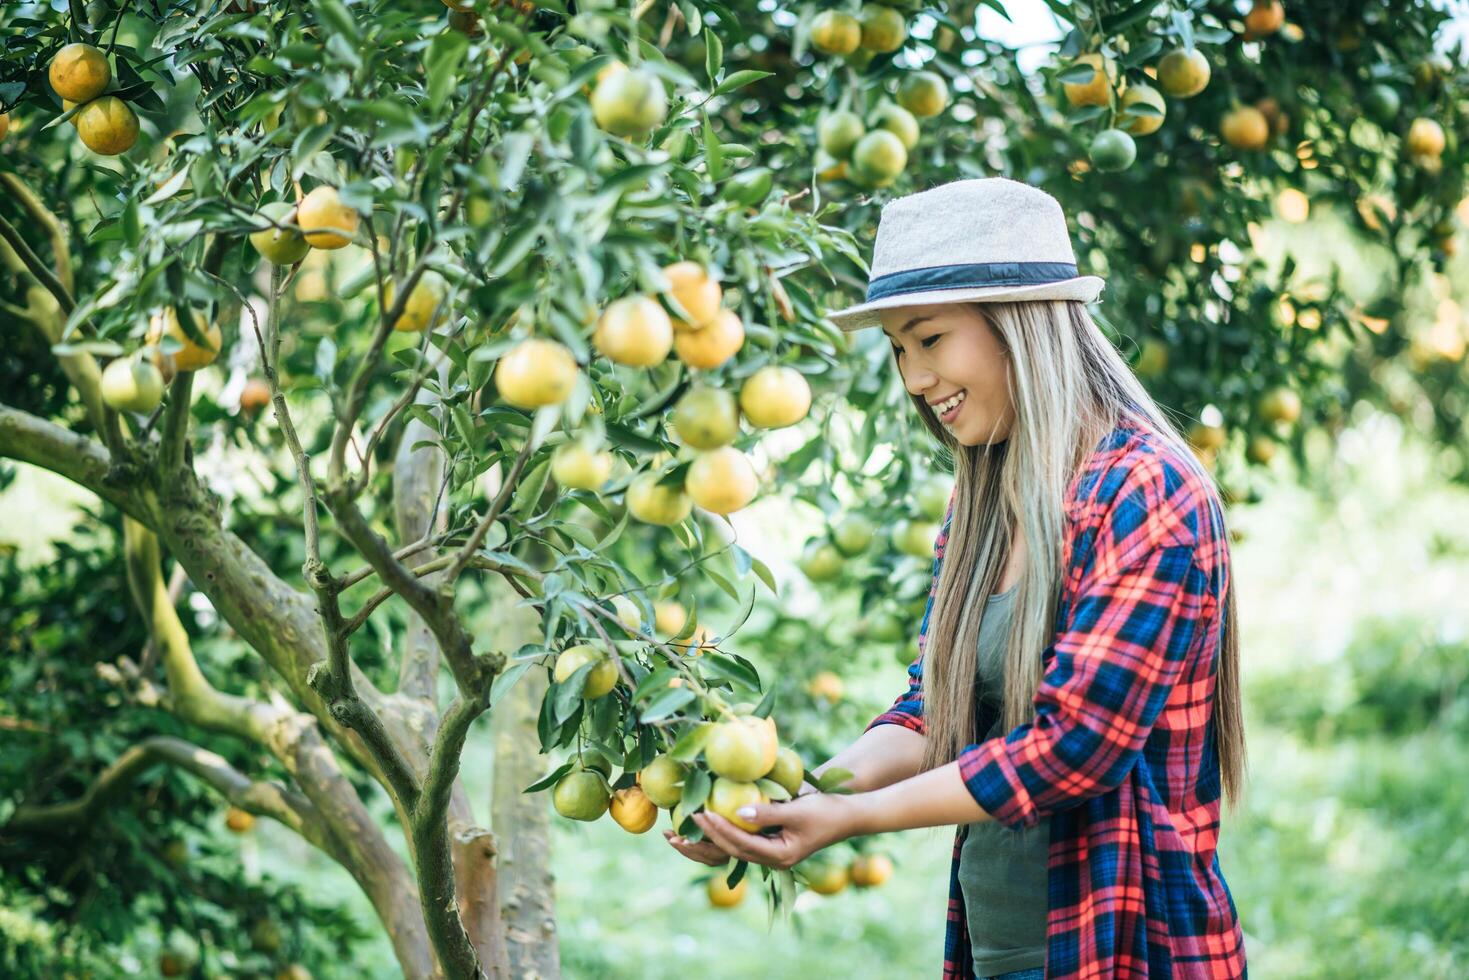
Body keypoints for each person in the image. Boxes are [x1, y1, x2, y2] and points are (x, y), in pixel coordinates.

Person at [664, 178, 1249, 979]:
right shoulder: (984, 500)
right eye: (899, 350)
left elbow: (1074, 747)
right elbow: (930, 709)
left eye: (929, 339)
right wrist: (802, 796)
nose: (911, 378)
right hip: (998, 948)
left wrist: (851, 819)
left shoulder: (1143, 491)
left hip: (1125, 947)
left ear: (1019, 326)